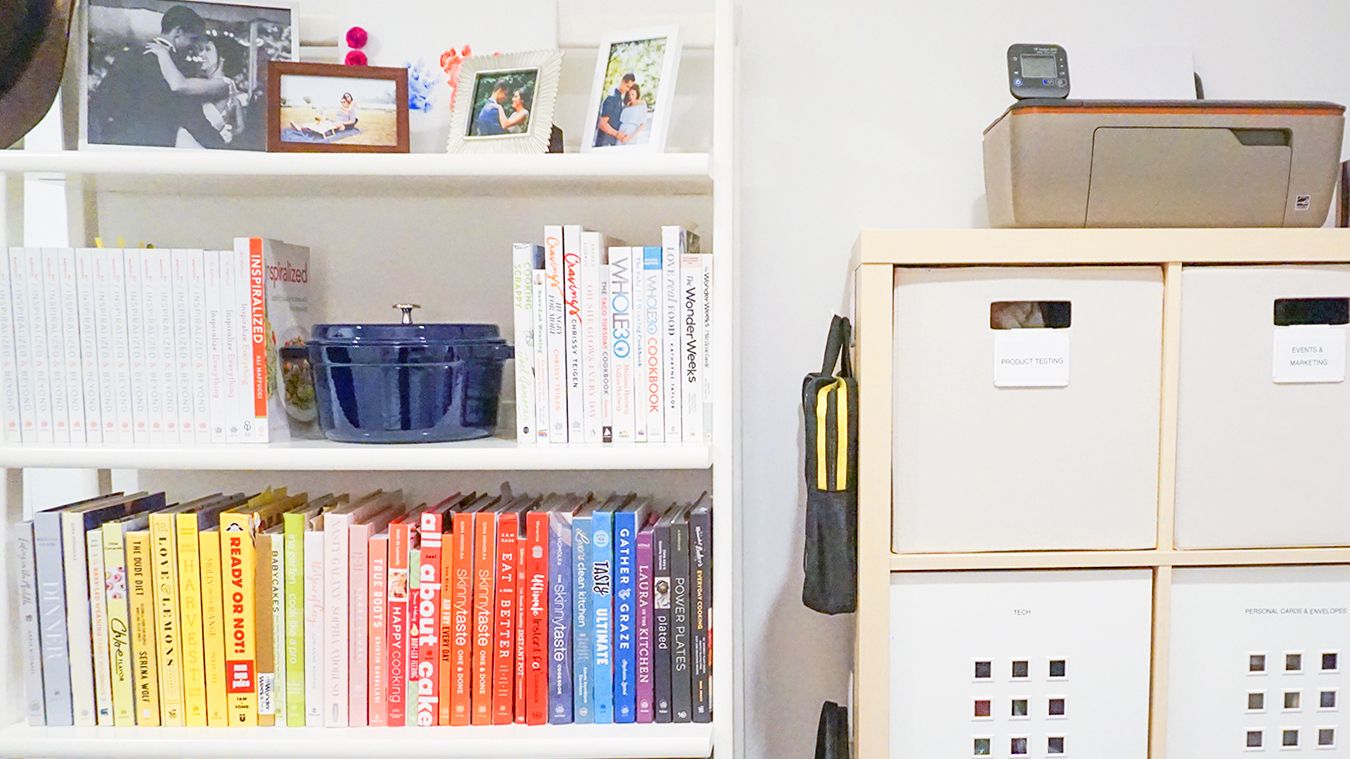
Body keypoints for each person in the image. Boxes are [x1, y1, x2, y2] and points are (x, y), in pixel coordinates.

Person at [87, 5, 226, 148]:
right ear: (178, 32)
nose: (194, 46)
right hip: (154, 147)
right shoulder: (177, 68)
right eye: (193, 39)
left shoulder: (128, 55)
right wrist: (223, 148)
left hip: (116, 142)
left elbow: (101, 103)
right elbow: (192, 118)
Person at [145, 36, 247, 147]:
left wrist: (162, 53)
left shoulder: (223, 84)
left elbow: (178, 85)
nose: (201, 54)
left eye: (208, 50)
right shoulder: (219, 85)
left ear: (223, 58)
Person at [593, 72, 635, 147]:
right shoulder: (611, 98)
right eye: (627, 86)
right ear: (622, 81)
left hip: (612, 143)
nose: (627, 90)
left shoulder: (620, 99)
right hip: (604, 143)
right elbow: (602, 124)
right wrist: (617, 134)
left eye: (629, 88)